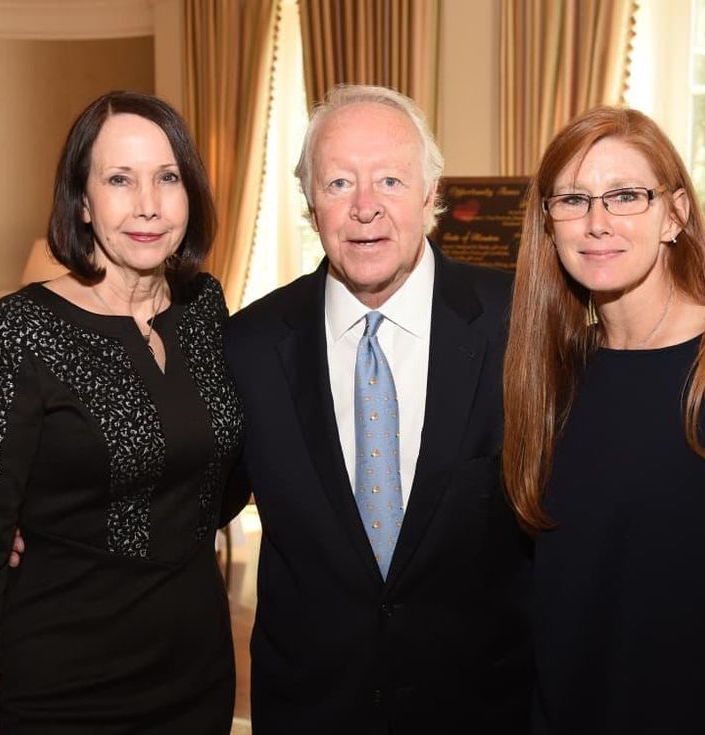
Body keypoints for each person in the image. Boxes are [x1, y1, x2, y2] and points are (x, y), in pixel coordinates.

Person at [502, 106, 705, 734]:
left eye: (625, 195)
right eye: (572, 199)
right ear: (548, 221)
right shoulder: (552, 368)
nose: (597, 223)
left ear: (673, 214)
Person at [223, 84, 533, 733]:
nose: (365, 207)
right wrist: (59, 516)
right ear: (311, 202)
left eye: (390, 179)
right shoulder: (249, 344)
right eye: (339, 183)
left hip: (480, 708)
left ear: (429, 193)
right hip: (310, 706)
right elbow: (191, 496)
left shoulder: (518, 326)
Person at [0, 90, 242, 733]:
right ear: (81, 200)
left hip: (196, 666)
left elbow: (218, 476)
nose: (148, 205)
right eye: (119, 180)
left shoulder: (204, 309)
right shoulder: (13, 333)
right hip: (64, 680)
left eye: (167, 178)